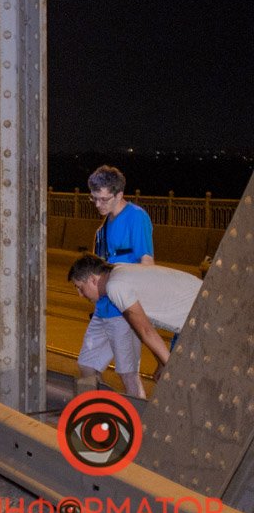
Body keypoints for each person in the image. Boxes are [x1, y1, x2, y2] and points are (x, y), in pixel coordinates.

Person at [75, 165, 154, 399]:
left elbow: (147, 263)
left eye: (103, 199)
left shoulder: (136, 217)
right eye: (94, 198)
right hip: (103, 310)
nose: (98, 204)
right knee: (87, 365)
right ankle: (99, 411)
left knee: (128, 374)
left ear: (119, 195)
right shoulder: (102, 229)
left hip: (124, 311)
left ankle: (137, 417)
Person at [68, 254, 202, 378]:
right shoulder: (119, 271)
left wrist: (173, 371)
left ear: (92, 279)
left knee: (183, 382)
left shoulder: (115, 286)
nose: (80, 294)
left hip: (201, 313)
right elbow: (142, 329)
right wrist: (162, 363)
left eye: (80, 287)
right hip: (200, 302)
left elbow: (146, 331)